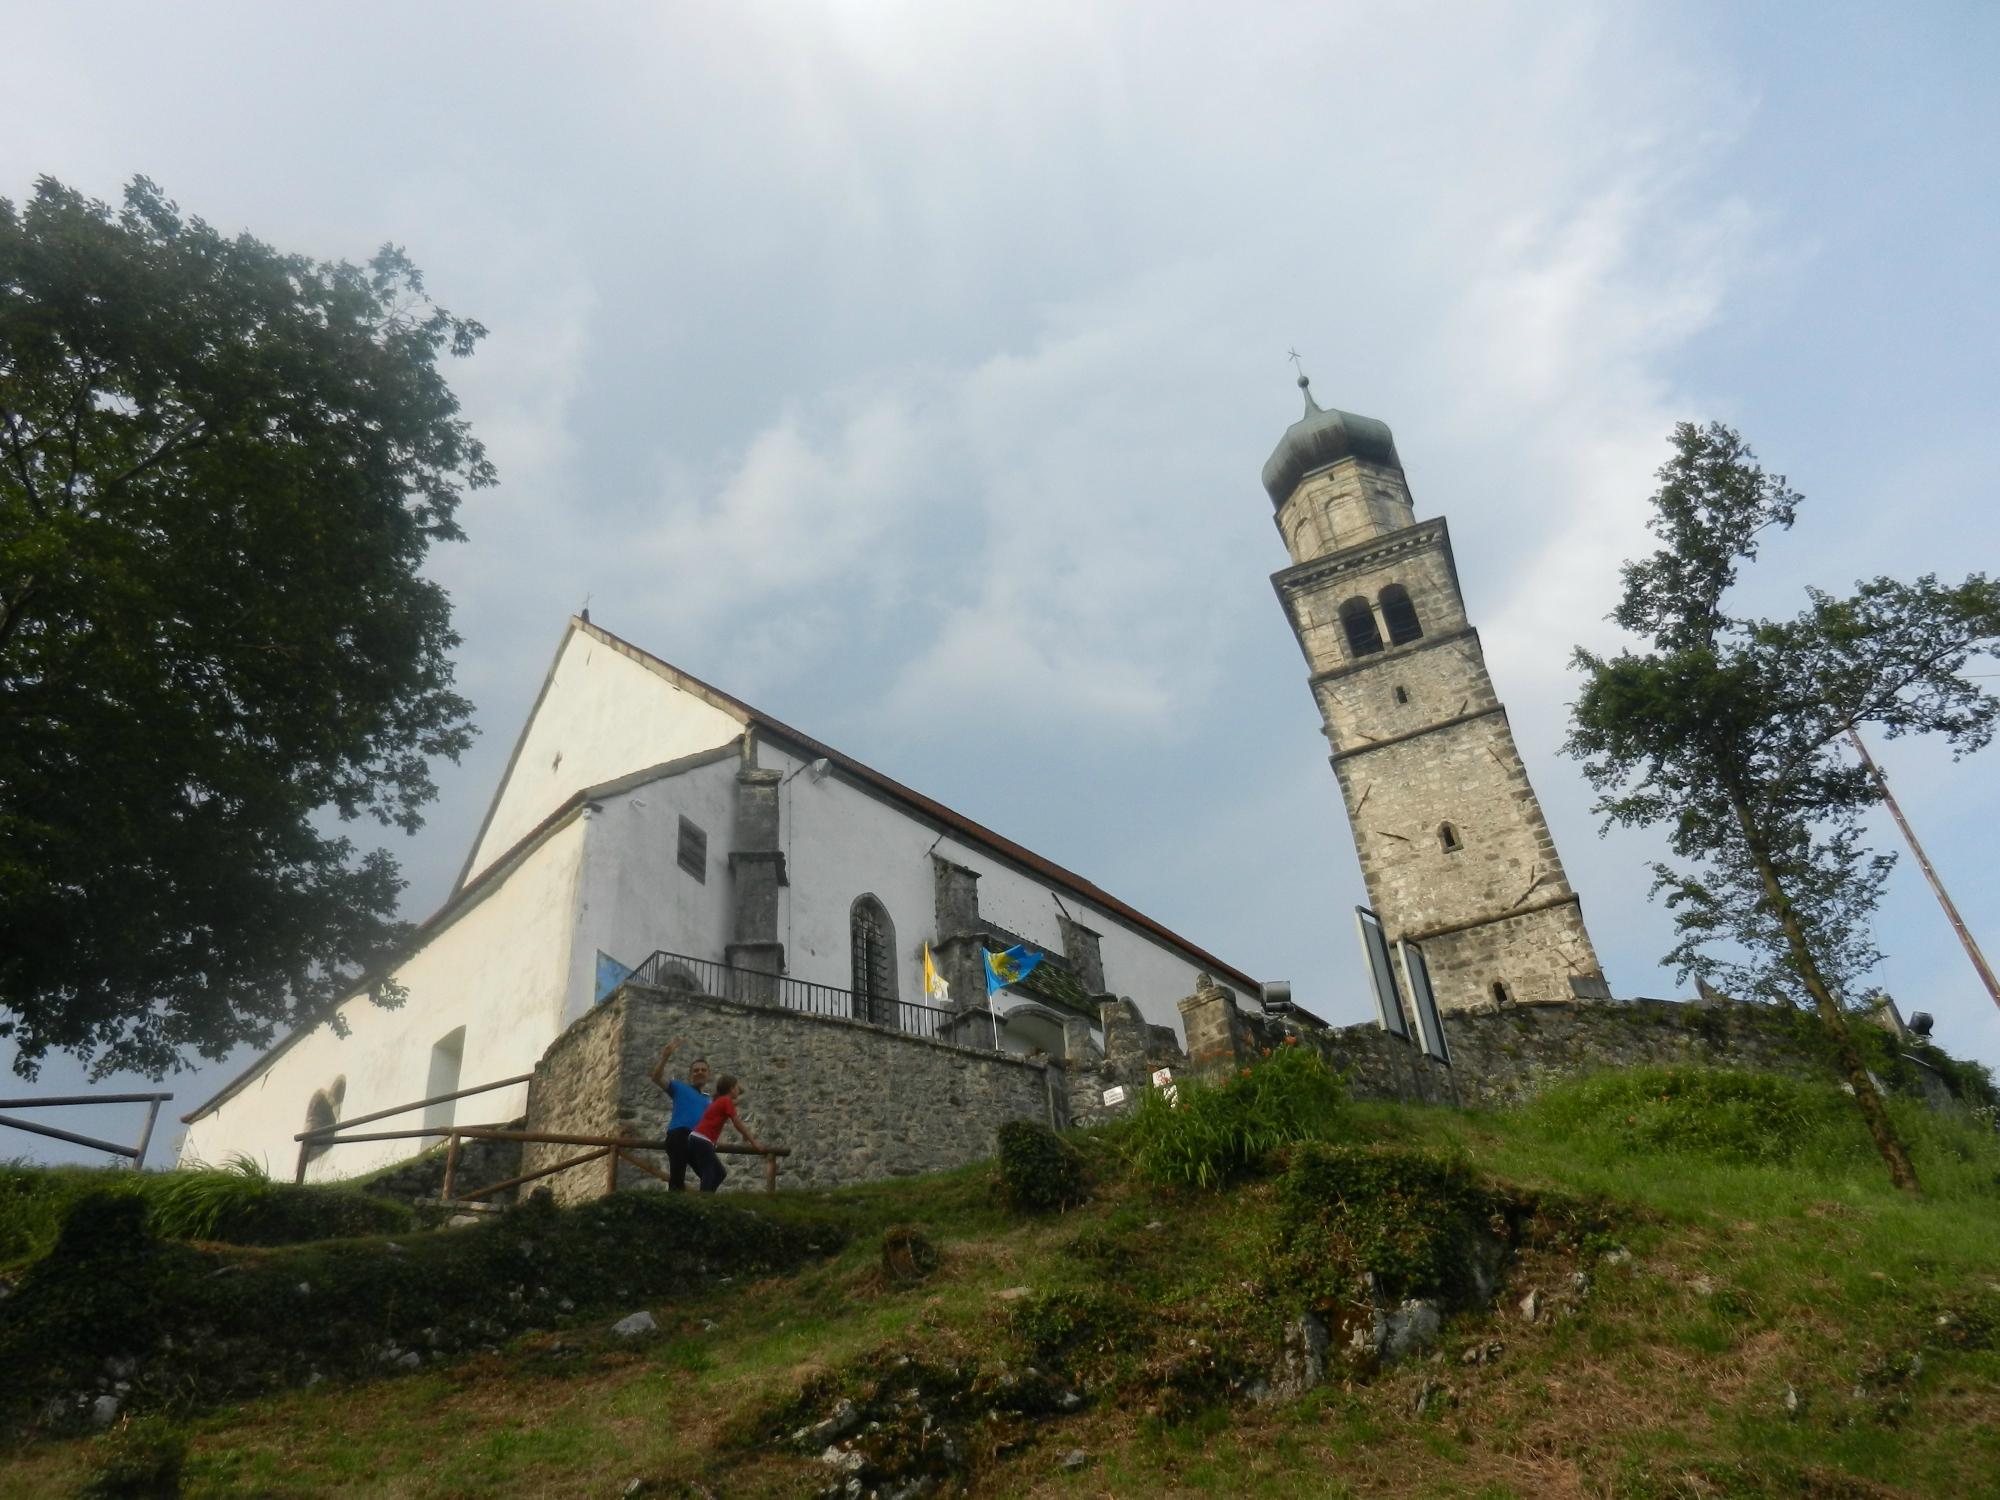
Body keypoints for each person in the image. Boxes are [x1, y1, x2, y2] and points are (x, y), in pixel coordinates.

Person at [649, 1039, 711, 1192]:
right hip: (679, 1134)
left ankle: (705, 1209)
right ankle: (674, 1210)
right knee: (677, 1178)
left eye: (703, 1070)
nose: (699, 1073)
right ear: (690, 1075)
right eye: (696, 1070)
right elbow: (656, 1078)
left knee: (710, 1174)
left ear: (708, 1074)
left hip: (697, 1139)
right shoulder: (679, 1087)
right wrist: (665, 1057)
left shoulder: (708, 1099)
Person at [686, 1073, 764, 1193]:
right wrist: (754, 1142)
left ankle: (707, 1199)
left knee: (720, 1174)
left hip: (697, 1139)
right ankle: (703, 1202)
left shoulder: (721, 1100)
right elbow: (737, 1123)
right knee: (709, 1173)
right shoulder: (726, 1101)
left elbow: (737, 1095)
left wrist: (736, 1089)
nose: (739, 1090)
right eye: (736, 1087)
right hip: (702, 1139)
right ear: (731, 1089)